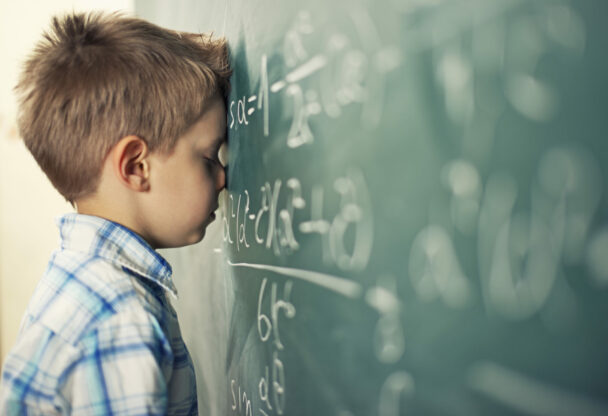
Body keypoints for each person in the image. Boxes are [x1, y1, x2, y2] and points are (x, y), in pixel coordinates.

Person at [0, 11, 231, 415]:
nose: (224, 177)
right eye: (210, 157)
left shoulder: (77, 280)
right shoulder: (120, 320)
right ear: (136, 167)